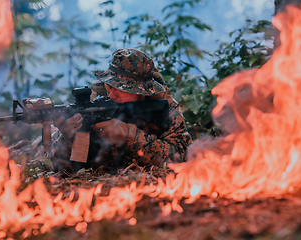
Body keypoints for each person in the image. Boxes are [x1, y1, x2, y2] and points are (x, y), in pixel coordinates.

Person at [46, 48, 192, 172]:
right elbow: (55, 165)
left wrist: (131, 136)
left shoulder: (164, 107)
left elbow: (183, 156)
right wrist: (67, 138)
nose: (111, 94)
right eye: (110, 85)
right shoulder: (95, 102)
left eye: (122, 89)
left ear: (142, 92)